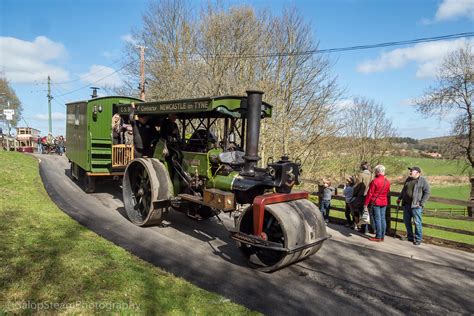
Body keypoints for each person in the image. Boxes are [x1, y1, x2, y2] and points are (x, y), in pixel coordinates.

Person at [397, 166, 430, 246]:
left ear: (418, 173)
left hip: (416, 206)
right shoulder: (408, 179)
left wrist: (421, 203)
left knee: (417, 222)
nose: (410, 172)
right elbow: (404, 190)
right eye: (410, 171)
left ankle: (418, 239)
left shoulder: (423, 180)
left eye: (412, 171)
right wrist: (400, 198)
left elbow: (427, 192)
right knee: (406, 221)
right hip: (406, 205)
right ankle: (410, 236)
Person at [364, 165, 390, 242]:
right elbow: (387, 192)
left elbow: (370, 193)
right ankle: (382, 236)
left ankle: (378, 236)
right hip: (384, 202)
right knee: (383, 219)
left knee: (377, 219)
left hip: (376, 202)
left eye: (375, 171)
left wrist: (366, 204)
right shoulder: (387, 181)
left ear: (378, 172)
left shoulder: (375, 181)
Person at [351, 162, 372, 232]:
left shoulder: (361, 175)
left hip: (361, 195)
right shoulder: (372, 175)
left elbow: (357, 186)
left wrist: (354, 193)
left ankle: (361, 227)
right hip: (369, 196)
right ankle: (367, 228)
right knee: (366, 212)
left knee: (359, 211)